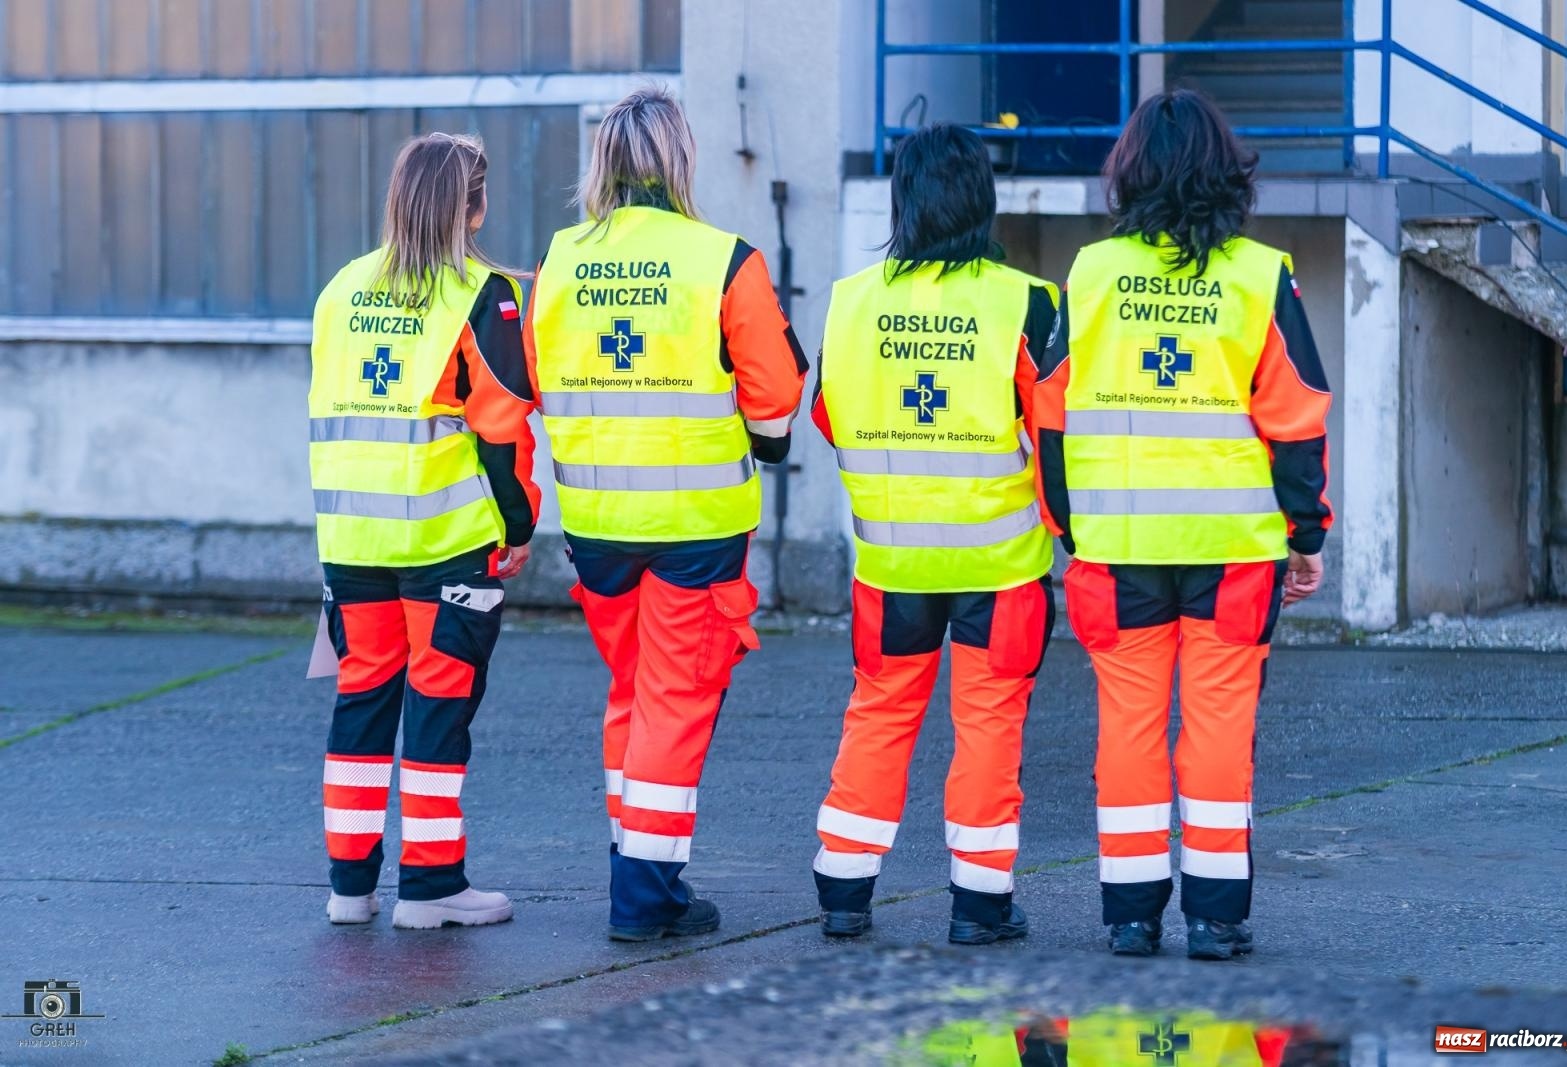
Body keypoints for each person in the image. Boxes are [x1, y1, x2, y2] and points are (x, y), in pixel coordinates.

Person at [1034, 89, 1334, 960]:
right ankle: (1215, 917)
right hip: (1233, 553)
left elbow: (1048, 417)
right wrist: (1306, 535)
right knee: (1218, 731)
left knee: (1127, 728)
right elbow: (1297, 419)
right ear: (1222, 172)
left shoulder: (1088, 274)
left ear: (1129, 172)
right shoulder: (1258, 274)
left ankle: (1130, 915)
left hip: (1116, 551)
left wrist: (1067, 528)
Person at [526, 88, 807, 941]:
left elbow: (538, 378)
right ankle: (646, 898)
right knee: (675, 703)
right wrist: (761, 441)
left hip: (597, 526)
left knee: (635, 696)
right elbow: (777, 397)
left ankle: (634, 857)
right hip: (694, 528)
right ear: (679, 159)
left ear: (602, 163)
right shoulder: (722, 259)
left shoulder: (560, 260)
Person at [809, 124, 1059, 945]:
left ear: (903, 199)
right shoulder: (1026, 301)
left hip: (891, 563)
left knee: (878, 712)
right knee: (988, 722)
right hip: (1000, 562)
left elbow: (827, 415)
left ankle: (843, 889)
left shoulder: (850, 301)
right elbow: (1055, 433)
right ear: (980, 199)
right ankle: (980, 905)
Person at [309, 132, 537, 930]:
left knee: (361, 702)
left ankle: (349, 885)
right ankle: (432, 890)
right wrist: (518, 524)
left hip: (351, 541)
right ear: (473, 208)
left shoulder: (341, 288)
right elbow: (502, 430)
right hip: (445, 542)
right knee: (439, 707)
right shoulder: (482, 293)